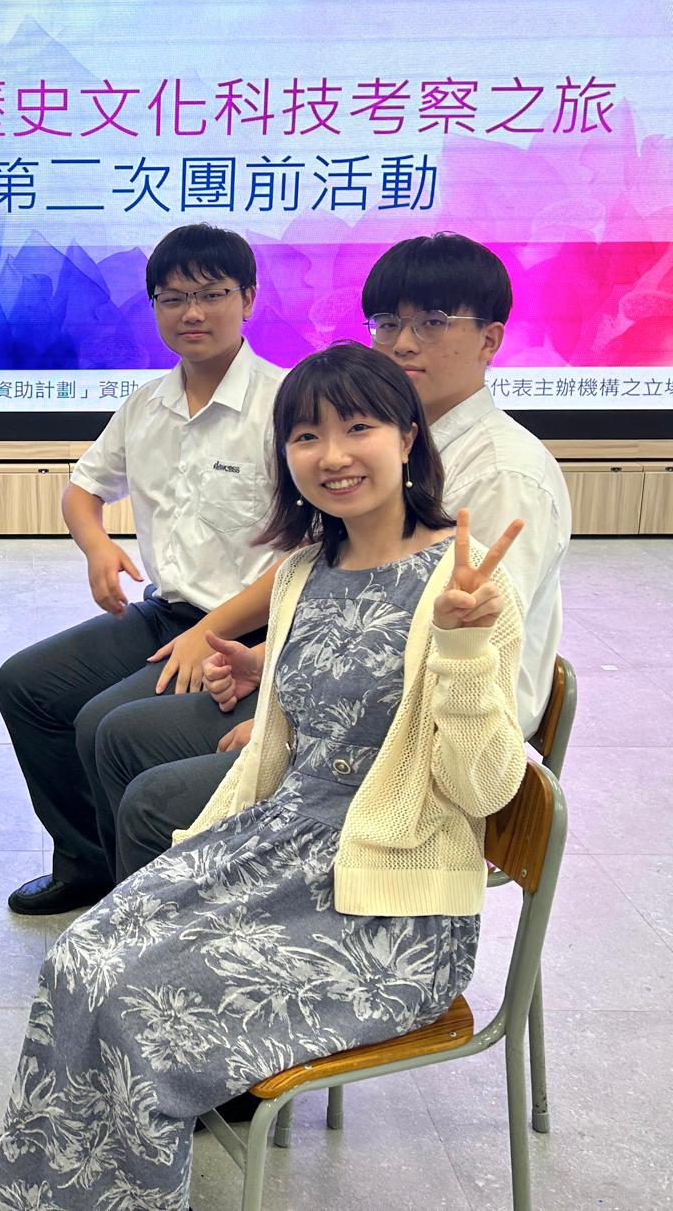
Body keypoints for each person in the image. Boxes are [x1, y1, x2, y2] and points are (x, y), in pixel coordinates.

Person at [0, 341, 527, 1211]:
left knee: (144, 1006)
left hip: (388, 905)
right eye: (306, 436)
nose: (333, 455)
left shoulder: (461, 587)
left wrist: (463, 650)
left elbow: (486, 788)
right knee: (79, 958)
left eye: (359, 427)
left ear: (408, 438)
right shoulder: (307, 570)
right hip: (281, 845)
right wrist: (265, 678)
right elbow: (323, 713)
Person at [109, 232, 571, 879]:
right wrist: (270, 667)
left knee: (152, 801)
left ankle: (172, 915)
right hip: (352, 703)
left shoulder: (500, 476)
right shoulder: (399, 449)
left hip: (423, 755)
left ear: (490, 340)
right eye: (387, 323)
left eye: (432, 322)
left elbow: (473, 654)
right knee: (122, 736)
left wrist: (291, 723)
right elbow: (368, 613)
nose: (402, 344)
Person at [0, 223, 284, 915]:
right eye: (172, 298)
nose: (192, 313)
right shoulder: (146, 404)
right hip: (167, 611)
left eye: (211, 294)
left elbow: (308, 555)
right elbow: (82, 489)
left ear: (247, 299)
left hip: (249, 629)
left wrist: (210, 632)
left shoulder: (287, 405)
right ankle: (87, 862)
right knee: (26, 685)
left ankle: (138, 900)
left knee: (103, 721)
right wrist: (98, 546)